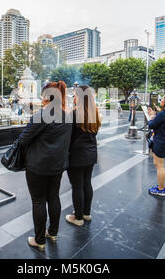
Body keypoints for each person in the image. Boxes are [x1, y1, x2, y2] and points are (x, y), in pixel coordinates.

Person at [17, 81, 72, 251]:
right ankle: (52, 232)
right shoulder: (67, 116)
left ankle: (39, 240)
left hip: (38, 166)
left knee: (38, 201)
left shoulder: (42, 115)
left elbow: (23, 139)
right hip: (57, 165)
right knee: (53, 197)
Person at [66, 85, 101, 226]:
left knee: (77, 186)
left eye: (75, 95)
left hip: (76, 156)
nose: (74, 97)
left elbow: (68, 136)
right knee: (87, 183)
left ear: (79, 98)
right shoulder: (95, 113)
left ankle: (78, 217)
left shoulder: (73, 114)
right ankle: (86, 213)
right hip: (91, 154)